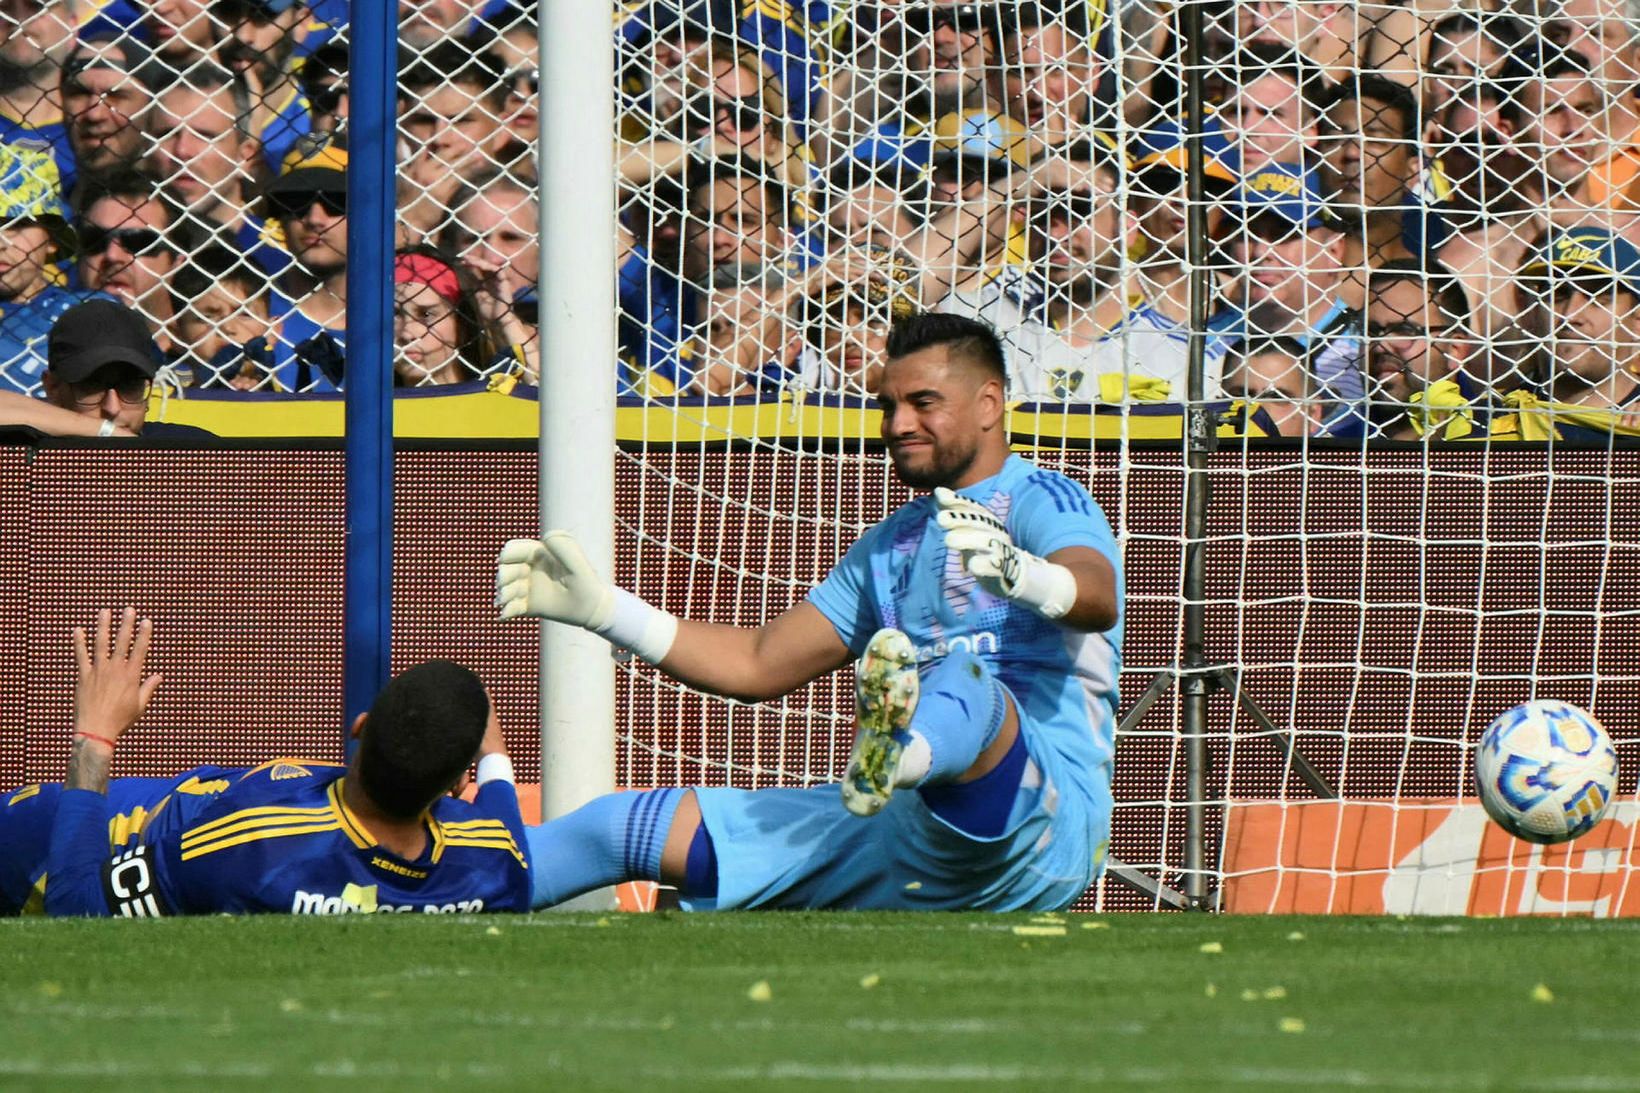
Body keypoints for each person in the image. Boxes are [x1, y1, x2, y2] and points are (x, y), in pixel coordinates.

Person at [498, 312, 1124, 911]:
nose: (898, 424)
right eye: (887, 406)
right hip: (898, 832)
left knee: (965, 680)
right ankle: (428, 887)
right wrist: (605, 610)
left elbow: (1096, 595)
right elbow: (756, 663)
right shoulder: (890, 545)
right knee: (617, 828)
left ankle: (901, 757)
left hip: (1042, 823)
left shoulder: (1043, 499)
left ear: (989, 404)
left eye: (923, 403)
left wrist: (1026, 574)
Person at [0, 608, 531, 916]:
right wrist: (495, 762)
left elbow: (78, 906)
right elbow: (510, 841)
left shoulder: (254, 839)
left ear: (360, 727)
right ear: (456, 784)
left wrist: (95, 736)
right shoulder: (491, 865)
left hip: (77, 832)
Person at [0, 296, 211, 437]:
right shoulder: (25, 451)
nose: (112, 408)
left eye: (130, 387)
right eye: (92, 386)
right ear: (53, 387)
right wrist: (105, 431)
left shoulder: (186, 451)